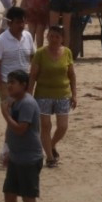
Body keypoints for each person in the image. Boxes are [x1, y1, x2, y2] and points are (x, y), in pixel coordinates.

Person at [28, 26, 76, 169]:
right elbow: (33, 76)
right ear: (47, 37)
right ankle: (49, 157)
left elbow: (72, 75)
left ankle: (52, 144)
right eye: (51, 36)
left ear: (62, 39)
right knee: (46, 126)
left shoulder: (67, 52)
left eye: (57, 37)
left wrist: (74, 94)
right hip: (43, 95)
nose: (54, 39)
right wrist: (29, 96)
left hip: (63, 94)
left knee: (62, 126)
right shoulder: (40, 53)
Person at [1, 70, 42, 202]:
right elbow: (10, 130)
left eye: (13, 82)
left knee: (28, 197)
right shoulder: (14, 102)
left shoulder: (27, 103)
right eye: (8, 82)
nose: (9, 85)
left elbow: (20, 129)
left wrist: (5, 114)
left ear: (23, 85)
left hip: (29, 158)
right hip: (15, 156)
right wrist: (7, 150)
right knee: (9, 194)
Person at [0, 7, 35, 102]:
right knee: (11, 114)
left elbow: (33, 58)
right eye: (18, 22)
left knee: (25, 113)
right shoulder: (0, 40)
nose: (22, 25)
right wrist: (1, 85)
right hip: (8, 85)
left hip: (25, 84)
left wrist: (31, 80)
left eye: (23, 22)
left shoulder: (28, 37)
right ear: (9, 23)